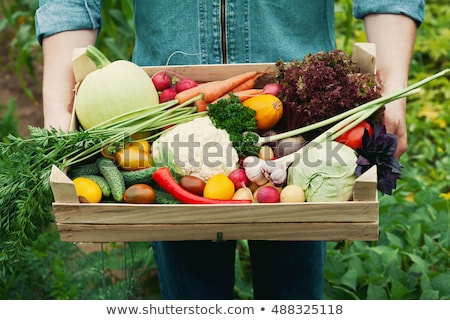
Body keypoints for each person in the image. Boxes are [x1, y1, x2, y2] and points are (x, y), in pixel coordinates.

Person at [35, 0, 424, 299]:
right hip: (159, 111)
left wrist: (391, 82)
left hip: (300, 112)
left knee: (293, 297)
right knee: (192, 300)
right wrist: (58, 107)